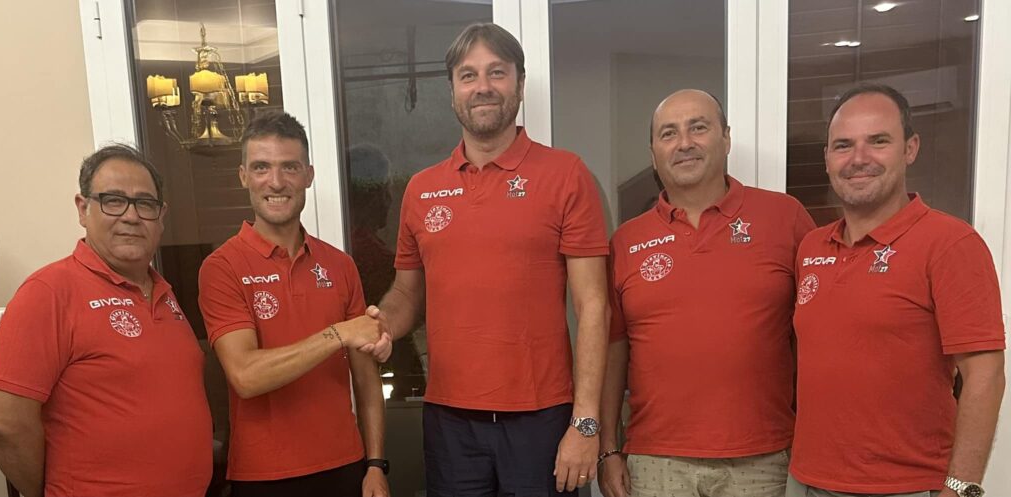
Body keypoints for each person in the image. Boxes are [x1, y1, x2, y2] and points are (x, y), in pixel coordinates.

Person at [368, 22, 610, 496]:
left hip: (542, 418)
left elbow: (594, 307)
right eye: (468, 75)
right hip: (449, 421)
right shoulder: (421, 189)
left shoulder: (566, 174)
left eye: (497, 72)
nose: (483, 86)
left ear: (519, 84)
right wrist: (381, 325)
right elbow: (407, 294)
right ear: (452, 90)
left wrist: (585, 424)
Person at [788, 83, 1006, 497]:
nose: (859, 158)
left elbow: (986, 377)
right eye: (843, 145)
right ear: (827, 159)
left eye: (878, 141)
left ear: (910, 148)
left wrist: (960, 488)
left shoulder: (950, 243)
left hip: (908, 486)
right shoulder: (812, 247)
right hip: (807, 480)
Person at [598, 89, 815, 497]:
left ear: (726, 138)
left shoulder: (785, 218)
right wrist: (608, 449)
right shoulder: (626, 241)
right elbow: (613, 350)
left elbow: (816, 334)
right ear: (653, 153)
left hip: (765, 458)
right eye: (669, 133)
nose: (684, 143)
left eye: (698, 128)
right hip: (656, 462)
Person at [0, 144, 212, 497]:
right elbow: (3, 421)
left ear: (161, 216)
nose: (131, 216)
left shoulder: (164, 293)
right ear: (83, 208)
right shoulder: (48, 292)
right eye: (113, 200)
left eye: (145, 203)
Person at [198, 111, 389, 497]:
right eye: (261, 167)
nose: (276, 181)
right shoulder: (222, 268)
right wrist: (338, 334)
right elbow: (246, 377)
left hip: (346, 466)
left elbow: (366, 380)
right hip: (263, 476)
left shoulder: (340, 265)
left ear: (308, 175)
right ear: (243, 176)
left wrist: (375, 464)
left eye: (289, 167)